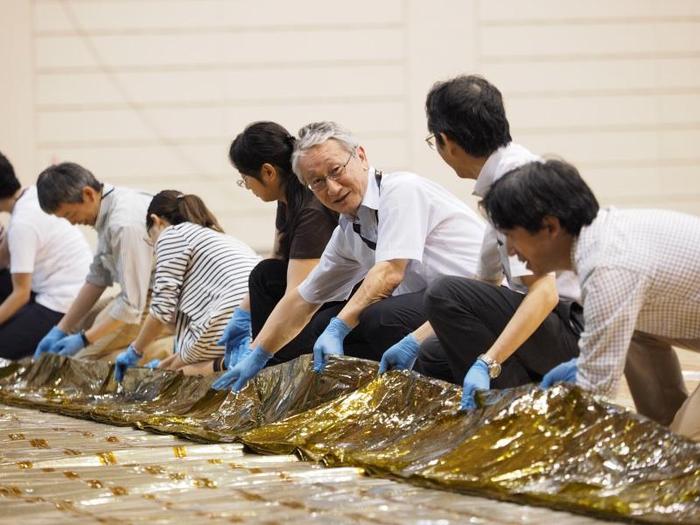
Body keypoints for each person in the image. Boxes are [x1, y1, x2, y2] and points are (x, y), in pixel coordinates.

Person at [212, 120, 485, 392]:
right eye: (317, 182)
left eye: (336, 171)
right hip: (435, 306)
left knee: (379, 317)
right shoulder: (349, 228)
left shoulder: (401, 190)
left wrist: (338, 327)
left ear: (362, 157)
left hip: (477, 304)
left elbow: (390, 272)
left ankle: (436, 392)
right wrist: (258, 354)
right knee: (330, 326)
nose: (332, 188)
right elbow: (303, 297)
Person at [379, 75, 582, 410]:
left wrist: (489, 362)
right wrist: (413, 341)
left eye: (435, 142)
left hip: (570, 329)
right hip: (554, 323)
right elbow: (487, 281)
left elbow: (544, 293)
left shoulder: (514, 185)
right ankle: (479, 410)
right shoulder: (503, 177)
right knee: (433, 353)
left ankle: (512, 413)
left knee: (444, 293)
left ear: (447, 141)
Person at [482, 158, 700, 440]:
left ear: (550, 227)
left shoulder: (608, 267)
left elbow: (596, 389)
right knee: (633, 332)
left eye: (512, 236)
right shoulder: (598, 244)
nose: (511, 251)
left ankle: (673, 440)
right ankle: (662, 431)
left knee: (685, 453)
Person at [220, 121, 338, 368]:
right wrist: (241, 315)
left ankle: (277, 365)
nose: (247, 187)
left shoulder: (311, 210)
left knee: (266, 277)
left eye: (245, 179)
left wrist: (258, 350)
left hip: (330, 306)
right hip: (313, 298)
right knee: (265, 273)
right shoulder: (288, 201)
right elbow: (276, 259)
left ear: (268, 172)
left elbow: (299, 293)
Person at [113, 191, 260, 381]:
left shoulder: (171, 235)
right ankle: (226, 362)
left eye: (151, 239)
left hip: (228, 315)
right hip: (257, 316)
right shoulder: (219, 237)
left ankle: (226, 362)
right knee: (175, 362)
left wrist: (135, 350)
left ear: (156, 221)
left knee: (173, 375)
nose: (154, 246)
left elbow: (161, 311)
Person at [33, 162, 154, 360]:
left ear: (88, 194)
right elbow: (98, 277)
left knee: (82, 359)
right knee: (79, 326)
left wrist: (85, 340)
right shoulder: (106, 209)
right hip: (143, 292)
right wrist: (61, 329)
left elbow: (132, 306)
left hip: (170, 300)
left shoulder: (123, 223)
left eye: (70, 215)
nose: (72, 223)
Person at [0, 152, 91, 359]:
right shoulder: (30, 195)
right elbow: (4, 258)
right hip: (68, 286)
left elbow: (20, 295)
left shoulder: (23, 225)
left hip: (62, 303)